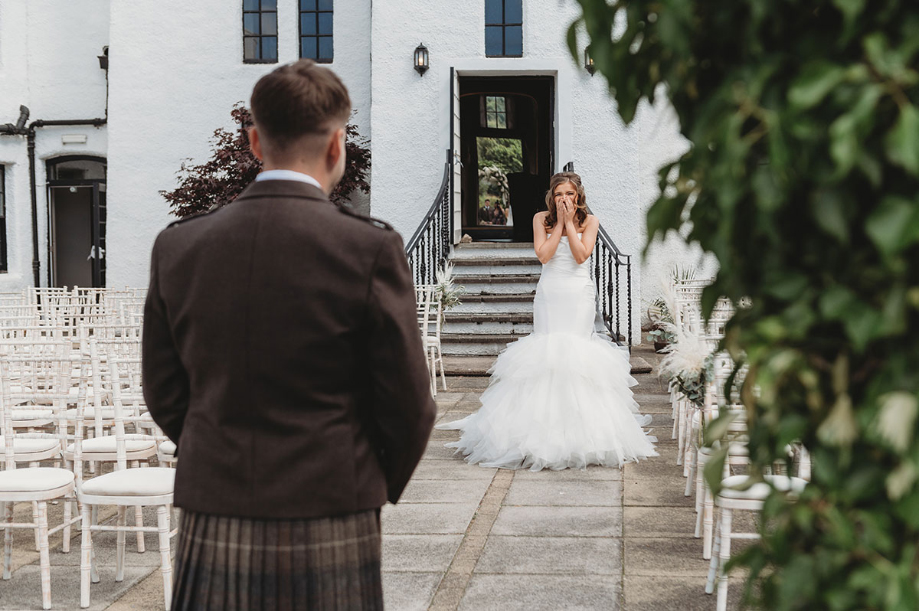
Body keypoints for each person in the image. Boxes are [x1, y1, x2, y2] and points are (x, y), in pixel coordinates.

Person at [142, 59, 436, 610]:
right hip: (333, 503)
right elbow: (409, 404)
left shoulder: (179, 246)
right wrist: (363, 478)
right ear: (335, 146)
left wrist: (221, 454)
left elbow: (163, 389)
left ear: (255, 141)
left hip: (218, 501)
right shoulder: (368, 248)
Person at [437, 172, 656, 470]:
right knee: (547, 349)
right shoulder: (541, 218)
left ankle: (583, 433)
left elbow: (581, 256)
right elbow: (543, 255)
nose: (563, 199)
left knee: (577, 351)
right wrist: (560, 226)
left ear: (577, 196)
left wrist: (569, 224)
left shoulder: (589, 221)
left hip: (578, 291)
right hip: (551, 291)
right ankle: (537, 431)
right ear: (552, 198)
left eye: (568, 194)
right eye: (558, 194)